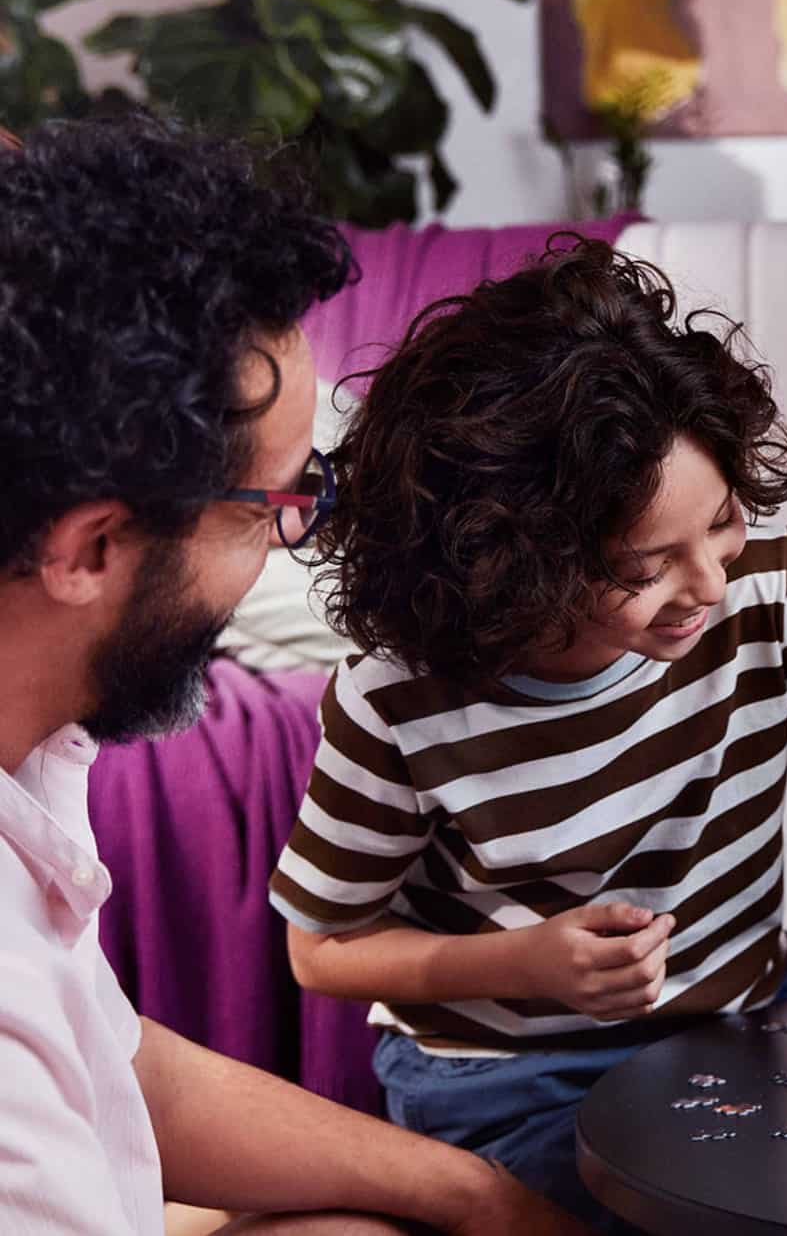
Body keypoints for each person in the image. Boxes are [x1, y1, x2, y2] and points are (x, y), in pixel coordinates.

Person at [270, 238, 787, 1232]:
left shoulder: (765, 582)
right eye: (644, 568)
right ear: (512, 561)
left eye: (721, 522)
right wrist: (524, 963)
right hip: (505, 1079)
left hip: (745, 1030)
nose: (709, 584)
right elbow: (321, 950)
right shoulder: (397, 698)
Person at [0, 116, 583, 1235]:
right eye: (272, 505)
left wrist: (475, 1195)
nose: (287, 540)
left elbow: (109, 1059)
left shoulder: (30, 746)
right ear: (89, 549)